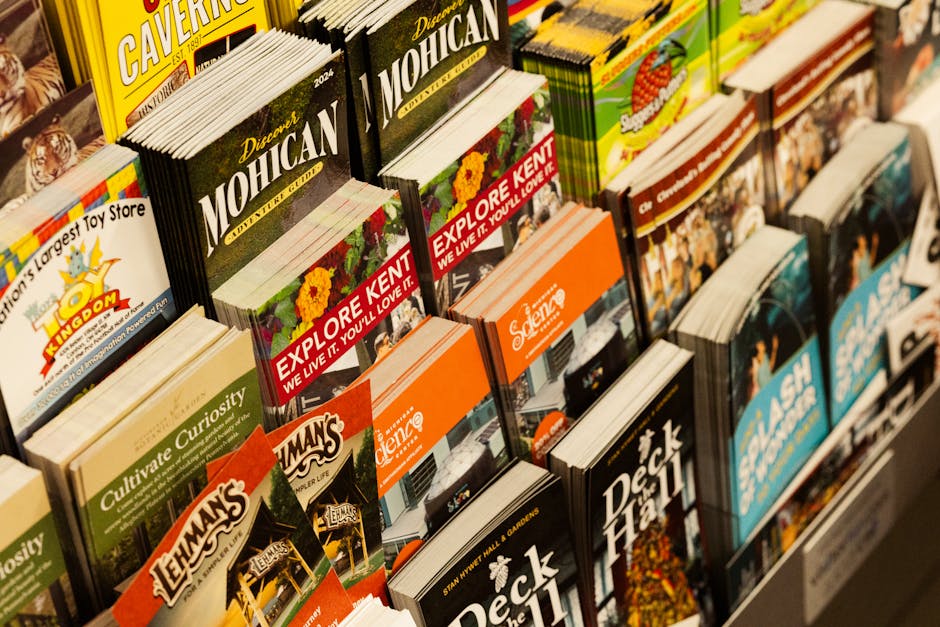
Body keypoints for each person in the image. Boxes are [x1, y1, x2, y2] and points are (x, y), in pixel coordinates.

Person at [750, 334, 780, 400]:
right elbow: (753, 378)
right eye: (761, 343)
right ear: (757, 346)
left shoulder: (765, 356)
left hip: (771, 385)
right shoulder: (755, 361)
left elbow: (770, 366)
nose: (763, 344)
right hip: (764, 391)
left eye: (763, 343)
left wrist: (775, 348)